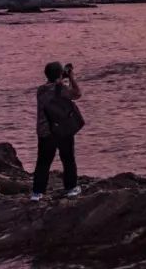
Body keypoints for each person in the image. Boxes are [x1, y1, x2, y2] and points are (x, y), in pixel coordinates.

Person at [31, 61, 84, 201]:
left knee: (43, 163)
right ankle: (71, 188)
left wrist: (61, 77)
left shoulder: (40, 90)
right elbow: (77, 94)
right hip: (62, 130)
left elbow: (52, 88)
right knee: (68, 159)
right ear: (60, 74)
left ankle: (37, 193)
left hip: (45, 132)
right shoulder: (61, 88)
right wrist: (71, 77)